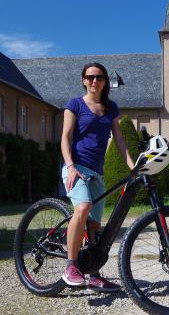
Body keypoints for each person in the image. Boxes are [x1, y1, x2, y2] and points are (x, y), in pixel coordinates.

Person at [60, 62, 134, 291]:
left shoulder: (110, 107)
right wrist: (70, 166)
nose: (95, 81)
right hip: (77, 168)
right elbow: (65, 137)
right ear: (83, 80)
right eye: (90, 77)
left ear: (104, 81)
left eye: (99, 77)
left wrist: (133, 166)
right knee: (82, 208)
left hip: (97, 173)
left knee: (93, 227)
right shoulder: (75, 105)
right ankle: (71, 266)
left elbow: (119, 139)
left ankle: (92, 273)